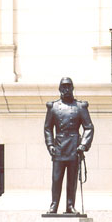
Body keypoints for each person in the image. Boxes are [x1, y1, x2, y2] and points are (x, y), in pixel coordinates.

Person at [44, 77, 94, 214]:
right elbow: (48, 128)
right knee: (56, 178)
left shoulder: (80, 107)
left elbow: (89, 127)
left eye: (69, 86)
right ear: (60, 89)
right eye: (63, 87)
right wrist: (50, 145)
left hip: (74, 148)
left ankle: (70, 205)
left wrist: (83, 145)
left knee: (72, 180)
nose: (66, 89)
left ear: (72, 88)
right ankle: (54, 204)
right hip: (59, 147)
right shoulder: (53, 107)